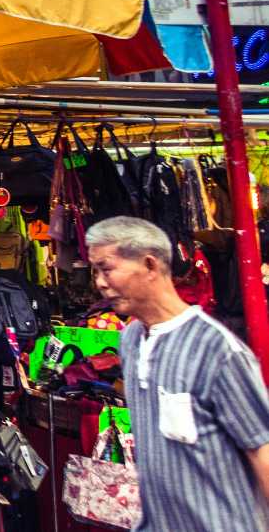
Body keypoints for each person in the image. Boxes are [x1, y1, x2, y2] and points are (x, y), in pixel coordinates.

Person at [88, 216, 269, 532]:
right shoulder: (130, 340)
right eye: (95, 272)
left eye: (107, 269)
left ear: (150, 265)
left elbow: (262, 450)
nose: (100, 283)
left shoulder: (217, 350)